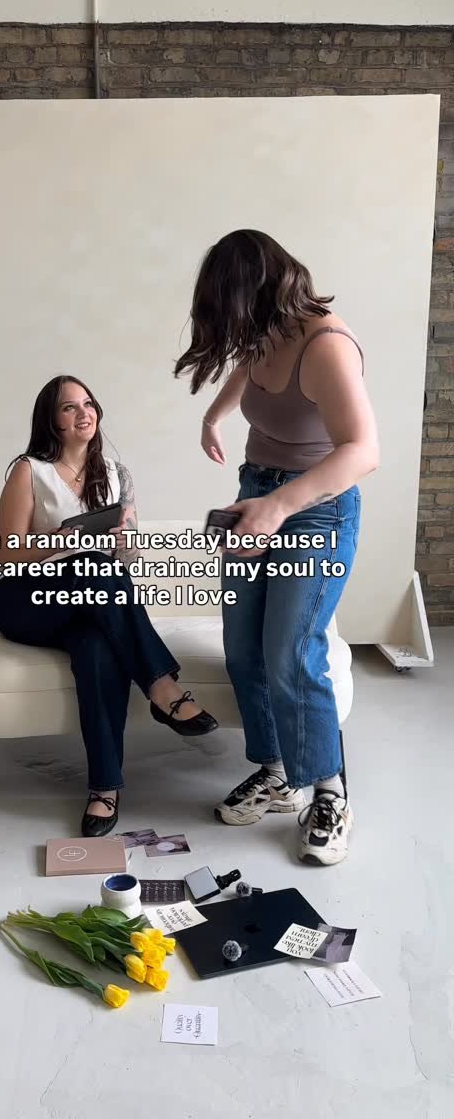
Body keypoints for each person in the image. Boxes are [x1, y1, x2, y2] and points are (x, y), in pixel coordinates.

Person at [175, 230, 379, 866]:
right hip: (256, 496)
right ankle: (277, 773)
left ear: (259, 294)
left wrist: (280, 506)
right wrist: (213, 416)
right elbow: (248, 371)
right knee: (244, 649)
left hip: (315, 511)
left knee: (291, 652)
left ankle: (329, 791)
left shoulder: (326, 344)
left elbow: (363, 451)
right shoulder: (266, 332)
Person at [0, 375, 218, 837]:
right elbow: (7, 553)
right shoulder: (29, 471)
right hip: (27, 600)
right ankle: (161, 685)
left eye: (88, 403)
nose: (84, 413)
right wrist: (62, 541)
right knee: (91, 563)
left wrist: (125, 539)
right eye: (69, 407)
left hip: (89, 604)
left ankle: (104, 789)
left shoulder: (117, 474)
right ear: (51, 420)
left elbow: (127, 562)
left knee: (95, 646)